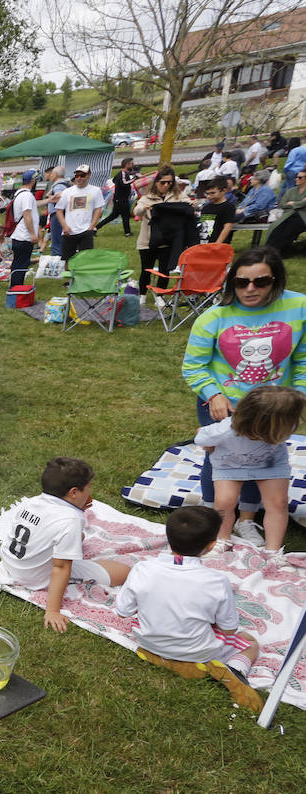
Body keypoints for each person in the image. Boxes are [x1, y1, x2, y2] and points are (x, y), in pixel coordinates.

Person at [183, 247, 306, 546]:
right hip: (224, 406)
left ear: (275, 280)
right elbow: (193, 366)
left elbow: (303, 359)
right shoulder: (214, 316)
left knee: (262, 461)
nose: (250, 289)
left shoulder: (299, 306)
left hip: (273, 408)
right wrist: (213, 395)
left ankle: (247, 521)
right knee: (221, 464)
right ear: (231, 282)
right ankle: (215, 521)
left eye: (260, 282)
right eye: (241, 282)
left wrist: (297, 398)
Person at [114, 506, 262, 710]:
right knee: (250, 642)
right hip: (197, 652)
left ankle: (162, 659)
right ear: (211, 546)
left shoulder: (142, 569)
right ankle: (234, 670)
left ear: (167, 537)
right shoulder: (217, 581)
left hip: (148, 642)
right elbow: (229, 629)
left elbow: (123, 611)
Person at [0, 457, 132, 633]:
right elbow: (60, 568)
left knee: (78, 538)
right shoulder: (71, 519)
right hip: (33, 577)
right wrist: (52, 610)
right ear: (74, 492)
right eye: (89, 487)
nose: (91, 491)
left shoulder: (32, 502)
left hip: (11, 563)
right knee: (123, 572)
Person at [194, 384, 303, 558]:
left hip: (270, 464)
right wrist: (209, 445)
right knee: (224, 502)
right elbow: (201, 435)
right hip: (230, 466)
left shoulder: (281, 426)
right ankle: (222, 539)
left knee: (278, 503)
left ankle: (273, 551)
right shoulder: (225, 429)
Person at [133, 166, 193, 297]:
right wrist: (144, 207)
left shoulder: (178, 196)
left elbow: (189, 206)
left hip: (167, 240)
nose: (166, 185)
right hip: (147, 241)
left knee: (164, 270)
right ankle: (142, 296)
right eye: (163, 182)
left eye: (170, 182)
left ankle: (160, 296)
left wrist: (192, 205)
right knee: (146, 270)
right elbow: (136, 211)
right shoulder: (147, 197)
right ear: (156, 182)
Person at [55, 164, 104, 260]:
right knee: (67, 259)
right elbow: (59, 210)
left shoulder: (95, 190)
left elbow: (98, 209)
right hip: (69, 231)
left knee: (85, 259)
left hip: (86, 230)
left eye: (82, 175)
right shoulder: (67, 192)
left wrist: (92, 226)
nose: (79, 178)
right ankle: (69, 274)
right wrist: (64, 226)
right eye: (77, 176)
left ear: (89, 175)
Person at [8, 170, 41, 288]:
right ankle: (17, 289)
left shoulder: (19, 193)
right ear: (33, 181)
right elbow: (27, 214)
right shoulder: (27, 195)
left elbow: (32, 206)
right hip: (24, 236)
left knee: (17, 263)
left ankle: (15, 287)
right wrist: (33, 234)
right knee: (21, 264)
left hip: (18, 235)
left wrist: (49, 200)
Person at [266, 170, 306, 254]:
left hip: (302, 216)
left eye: (300, 177)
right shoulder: (291, 191)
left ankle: (279, 251)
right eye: (296, 177)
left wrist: (293, 203)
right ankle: (268, 250)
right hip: (289, 214)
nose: (296, 179)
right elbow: (282, 204)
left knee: (289, 230)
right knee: (276, 227)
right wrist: (298, 203)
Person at [97, 158, 137, 235]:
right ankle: (127, 233)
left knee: (113, 216)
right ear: (127, 165)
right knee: (125, 216)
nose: (133, 165)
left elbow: (114, 180)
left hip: (119, 199)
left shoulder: (123, 174)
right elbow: (124, 183)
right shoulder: (123, 173)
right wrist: (134, 179)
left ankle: (96, 228)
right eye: (132, 164)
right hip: (121, 199)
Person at [41, 165, 70, 257]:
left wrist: (49, 197)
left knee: (56, 239)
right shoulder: (65, 184)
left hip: (57, 214)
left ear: (56, 174)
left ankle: (57, 258)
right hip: (61, 214)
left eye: (52, 173)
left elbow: (60, 199)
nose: (51, 175)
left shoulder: (58, 186)